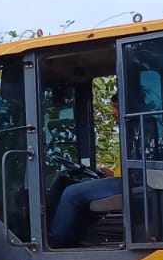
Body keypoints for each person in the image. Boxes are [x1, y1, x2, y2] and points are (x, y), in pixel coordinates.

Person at [47, 93, 120, 249]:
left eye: (117, 108)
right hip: (125, 180)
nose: (113, 113)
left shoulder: (136, 131)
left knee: (71, 193)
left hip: (128, 183)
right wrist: (112, 174)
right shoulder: (133, 133)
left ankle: (53, 244)